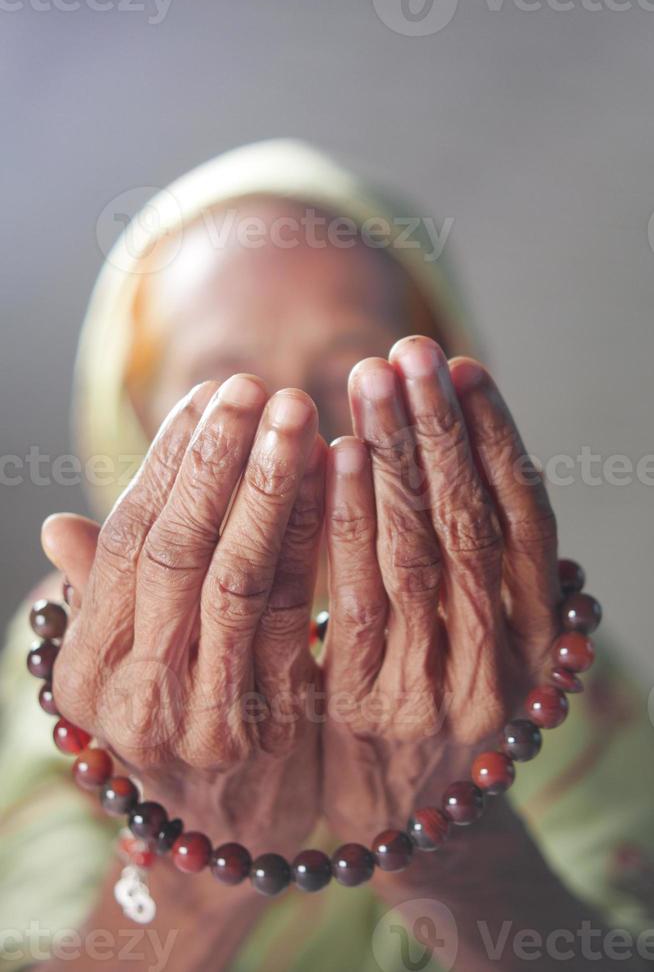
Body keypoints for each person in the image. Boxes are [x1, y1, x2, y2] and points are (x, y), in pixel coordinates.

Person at [1, 140, 653, 972]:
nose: (293, 422)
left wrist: (440, 830)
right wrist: (198, 857)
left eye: (349, 367)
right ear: (139, 415)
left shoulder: (522, 653)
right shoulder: (80, 662)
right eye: (225, 381)